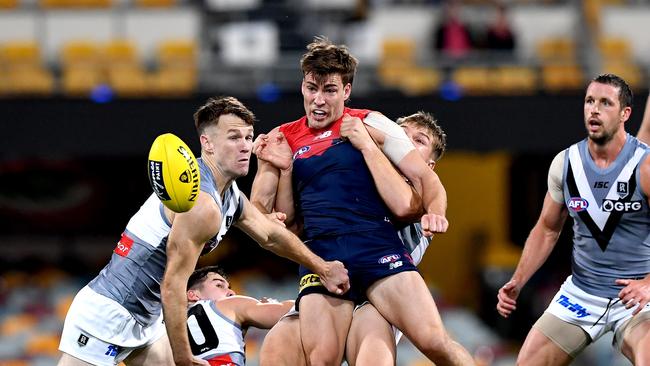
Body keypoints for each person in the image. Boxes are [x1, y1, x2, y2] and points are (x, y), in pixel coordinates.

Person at [57, 96, 350, 366]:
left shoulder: (230, 195)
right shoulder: (202, 205)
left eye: (248, 137)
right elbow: (172, 286)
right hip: (109, 314)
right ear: (207, 143)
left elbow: (270, 235)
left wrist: (322, 267)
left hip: (147, 319)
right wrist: (184, 358)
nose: (245, 145)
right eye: (234, 137)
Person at [251, 36, 474, 366]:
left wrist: (437, 212)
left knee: (435, 341)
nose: (319, 100)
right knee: (322, 357)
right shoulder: (282, 137)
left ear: (347, 91)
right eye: (312, 88)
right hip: (323, 256)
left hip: (377, 248)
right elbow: (259, 209)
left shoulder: (371, 122)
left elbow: (427, 179)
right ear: (302, 86)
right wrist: (270, 198)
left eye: (329, 90)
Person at [496, 73, 650, 365]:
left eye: (605, 103)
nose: (594, 109)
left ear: (625, 113)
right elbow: (547, 229)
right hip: (581, 294)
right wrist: (518, 279)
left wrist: (648, 283)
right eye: (590, 101)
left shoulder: (645, 166)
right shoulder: (565, 164)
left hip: (637, 298)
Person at [185, 265, 294, 365]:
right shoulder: (227, 304)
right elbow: (287, 310)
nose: (232, 292)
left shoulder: (171, 324)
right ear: (192, 294)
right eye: (219, 285)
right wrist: (271, 304)